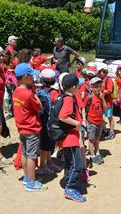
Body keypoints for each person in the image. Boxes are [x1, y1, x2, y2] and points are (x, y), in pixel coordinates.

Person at [12, 63, 48, 191]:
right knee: (32, 156)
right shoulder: (28, 94)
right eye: (32, 76)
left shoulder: (16, 91)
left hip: (22, 128)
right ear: (26, 76)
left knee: (25, 153)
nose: (33, 79)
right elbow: (39, 107)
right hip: (32, 128)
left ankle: (27, 177)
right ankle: (32, 184)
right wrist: (35, 93)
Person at [59, 74, 86, 203]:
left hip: (69, 136)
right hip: (70, 138)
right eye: (78, 85)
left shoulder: (67, 96)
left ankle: (69, 182)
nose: (80, 87)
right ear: (74, 87)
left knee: (70, 163)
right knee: (77, 165)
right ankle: (70, 188)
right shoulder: (69, 99)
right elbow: (63, 116)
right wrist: (76, 123)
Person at [36, 69, 62, 175]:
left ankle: (49, 162)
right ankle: (42, 166)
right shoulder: (54, 93)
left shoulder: (38, 91)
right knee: (45, 145)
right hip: (49, 122)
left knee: (47, 144)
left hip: (42, 121)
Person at [82, 77, 107, 166]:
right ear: (91, 87)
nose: (99, 89)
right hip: (91, 121)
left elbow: (105, 108)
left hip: (99, 121)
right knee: (91, 139)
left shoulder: (101, 97)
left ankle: (97, 153)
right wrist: (84, 119)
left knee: (97, 139)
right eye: (96, 87)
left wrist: (103, 99)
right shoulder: (89, 97)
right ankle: (92, 156)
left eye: (100, 86)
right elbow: (83, 108)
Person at [97, 65, 116, 140]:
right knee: (100, 116)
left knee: (109, 117)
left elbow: (110, 90)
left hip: (108, 102)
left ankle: (111, 132)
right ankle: (104, 130)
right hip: (101, 101)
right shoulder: (99, 79)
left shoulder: (109, 80)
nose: (102, 73)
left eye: (104, 71)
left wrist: (102, 92)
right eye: (101, 71)